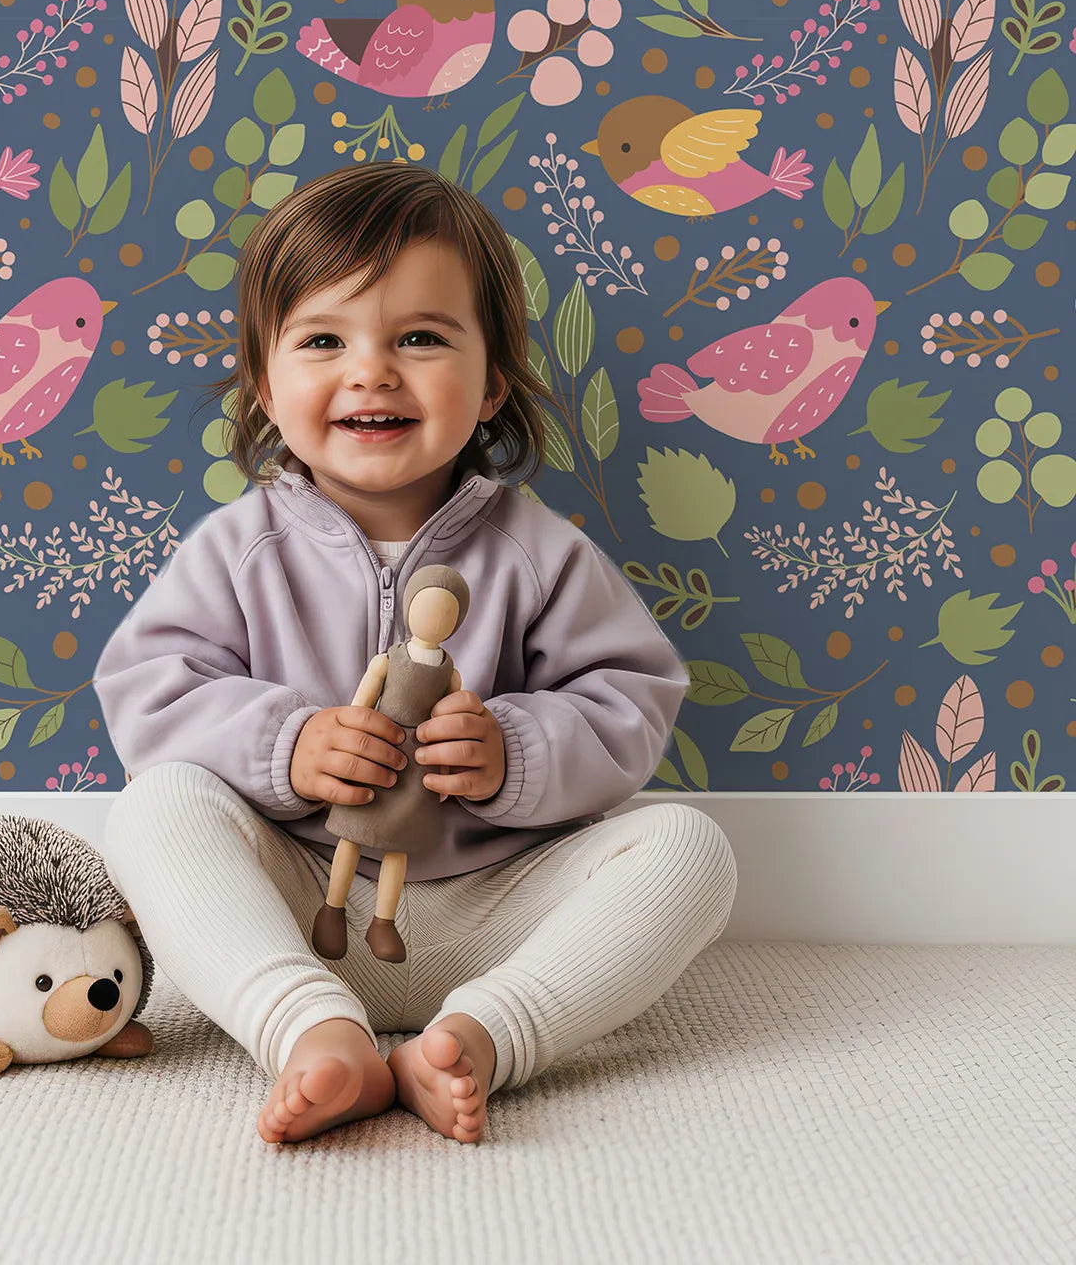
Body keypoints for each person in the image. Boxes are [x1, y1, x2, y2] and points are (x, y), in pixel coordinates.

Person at [93, 163, 737, 1147]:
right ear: (266, 386)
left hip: (499, 907)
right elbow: (148, 688)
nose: (371, 371)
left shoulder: (537, 550)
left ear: (489, 387)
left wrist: (511, 749)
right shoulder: (238, 547)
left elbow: (629, 695)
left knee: (690, 848)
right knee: (156, 805)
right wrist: (286, 742)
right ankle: (312, 1033)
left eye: (420, 338)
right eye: (322, 340)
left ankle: (483, 1035)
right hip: (306, 899)